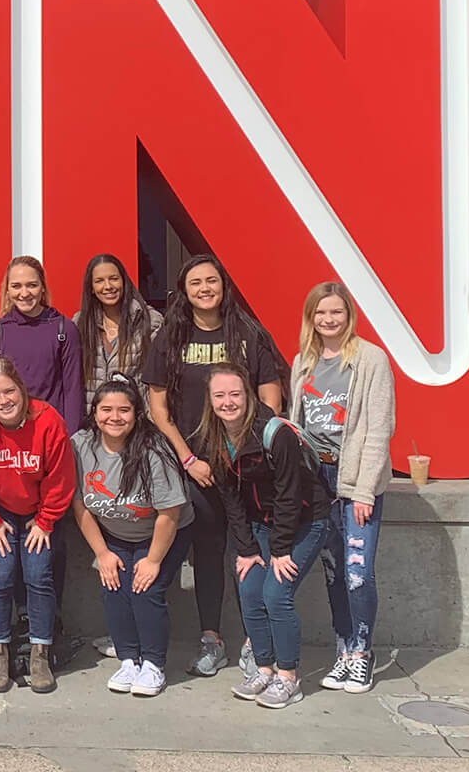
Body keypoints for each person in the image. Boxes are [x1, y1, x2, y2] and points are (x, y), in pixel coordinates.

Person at [141, 253, 291, 676]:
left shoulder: (247, 332)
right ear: (184, 292)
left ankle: (255, 641)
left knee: (253, 552)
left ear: (224, 285)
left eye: (212, 281)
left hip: (247, 465)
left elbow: (269, 393)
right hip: (197, 467)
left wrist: (251, 447)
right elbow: (157, 405)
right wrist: (187, 458)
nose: (205, 289)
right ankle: (212, 639)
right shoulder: (171, 336)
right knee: (209, 552)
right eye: (195, 283)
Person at [198, 363, 331, 710]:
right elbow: (231, 500)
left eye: (235, 394)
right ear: (210, 400)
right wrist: (246, 548)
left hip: (303, 521)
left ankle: (289, 676)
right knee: (249, 590)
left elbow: (290, 494)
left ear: (248, 395)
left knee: (276, 594)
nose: (228, 402)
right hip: (260, 525)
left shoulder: (276, 433)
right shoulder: (214, 437)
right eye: (220, 395)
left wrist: (280, 549)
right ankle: (264, 669)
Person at [289, 281, 396, 694]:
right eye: (320, 313)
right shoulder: (304, 361)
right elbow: (297, 423)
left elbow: (378, 428)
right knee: (333, 572)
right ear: (310, 318)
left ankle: (362, 654)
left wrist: (365, 490)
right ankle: (344, 651)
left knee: (357, 572)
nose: (328, 320)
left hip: (354, 482)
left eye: (336, 312)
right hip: (318, 482)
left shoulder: (371, 360)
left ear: (349, 315)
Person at [0, 357, 75, 694]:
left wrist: (47, 520)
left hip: (40, 512)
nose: (3, 401)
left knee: (38, 575)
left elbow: (60, 476)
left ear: (21, 390)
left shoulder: (47, 420)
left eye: (9, 392)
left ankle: (40, 652)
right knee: (1, 575)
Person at [70, 379, 190, 698]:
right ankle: (128, 660)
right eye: (106, 409)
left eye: (124, 410)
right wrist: (102, 553)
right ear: (94, 413)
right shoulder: (80, 444)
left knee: (144, 589)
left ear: (137, 414)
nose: (115, 417)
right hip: (115, 534)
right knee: (113, 587)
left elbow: (170, 515)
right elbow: (80, 505)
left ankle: (153, 664)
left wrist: (152, 561)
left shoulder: (153, 449)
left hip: (161, 533)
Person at [0, 257, 85, 431]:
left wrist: (71, 438)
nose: (24, 293)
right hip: (10, 434)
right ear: (7, 290)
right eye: (16, 286)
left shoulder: (65, 329)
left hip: (52, 431)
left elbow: (73, 390)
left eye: (32, 285)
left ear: (43, 288)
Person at [75, 253, 162, 393]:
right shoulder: (80, 323)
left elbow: (160, 378)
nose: (108, 286)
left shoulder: (151, 321)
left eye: (114, 279)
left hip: (135, 412)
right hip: (93, 413)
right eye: (99, 281)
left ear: (124, 281)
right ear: (91, 287)